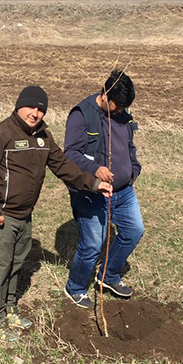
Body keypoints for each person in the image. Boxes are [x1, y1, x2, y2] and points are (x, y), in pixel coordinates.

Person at [0, 86, 112, 343]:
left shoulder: (43, 137)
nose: (35, 113)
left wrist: (93, 183)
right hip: (0, 215)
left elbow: (63, 166)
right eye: (31, 107)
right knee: (0, 267)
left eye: (40, 109)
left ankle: (10, 308)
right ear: (19, 106)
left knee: (16, 263)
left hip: (24, 214)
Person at [63, 69, 144, 308]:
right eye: (117, 106)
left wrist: (133, 169)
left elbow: (129, 144)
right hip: (91, 192)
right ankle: (76, 288)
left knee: (134, 231)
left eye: (124, 107)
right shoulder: (82, 114)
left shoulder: (122, 113)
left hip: (124, 191)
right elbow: (70, 154)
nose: (120, 111)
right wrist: (96, 169)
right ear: (106, 95)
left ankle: (108, 276)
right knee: (92, 244)